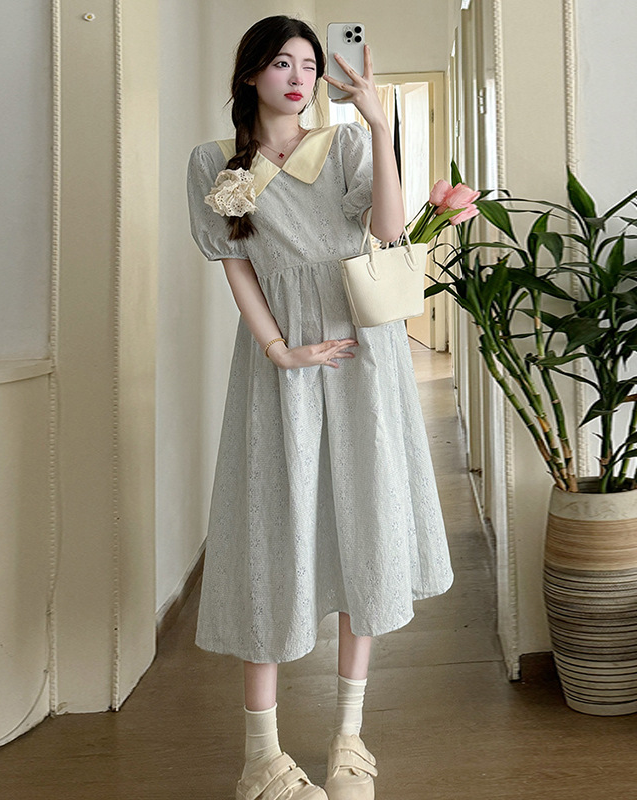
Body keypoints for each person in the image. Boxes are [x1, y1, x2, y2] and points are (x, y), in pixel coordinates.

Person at [186, 15, 453, 800]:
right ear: (250, 75)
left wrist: (378, 122)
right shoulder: (218, 162)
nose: (299, 76)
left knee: (364, 517)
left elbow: (389, 230)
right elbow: (237, 263)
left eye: (308, 63)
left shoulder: (344, 146)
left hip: (362, 351)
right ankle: (260, 757)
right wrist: (278, 349)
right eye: (281, 63)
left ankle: (348, 739)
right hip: (281, 361)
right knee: (271, 525)